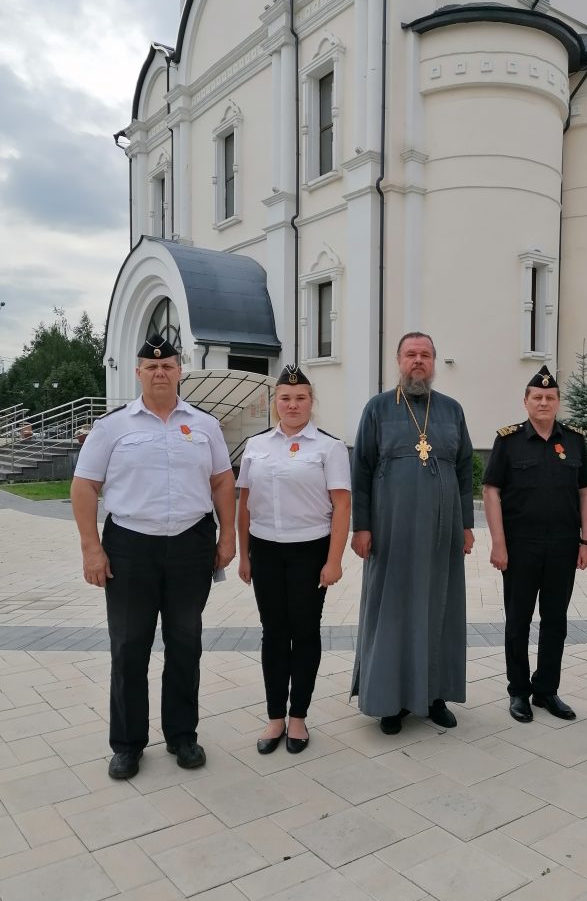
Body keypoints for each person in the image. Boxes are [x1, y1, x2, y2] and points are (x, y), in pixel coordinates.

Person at [71, 335, 236, 779]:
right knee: (128, 647)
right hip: (130, 546)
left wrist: (228, 537)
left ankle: (183, 736)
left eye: (167, 366)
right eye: (151, 366)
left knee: (186, 643)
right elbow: (84, 486)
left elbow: (223, 481)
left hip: (190, 544)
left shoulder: (205, 425)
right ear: (139, 372)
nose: (160, 372)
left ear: (180, 371)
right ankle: (127, 744)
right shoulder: (112, 426)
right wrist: (92, 548)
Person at [350, 332, 474, 735]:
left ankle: (435, 696)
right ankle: (390, 702)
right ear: (398, 361)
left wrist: (467, 526)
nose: (417, 361)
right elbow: (362, 472)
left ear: (434, 362)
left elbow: (465, 470)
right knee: (393, 611)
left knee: (440, 607)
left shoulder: (451, 411)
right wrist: (362, 526)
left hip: (442, 534)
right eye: (410, 355)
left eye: (425, 355)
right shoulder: (378, 409)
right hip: (391, 532)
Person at [237, 365, 351, 755]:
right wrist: (244, 555)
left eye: (301, 397)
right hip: (265, 549)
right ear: (275, 403)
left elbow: (341, 506)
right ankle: (274, 717)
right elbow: (244, 505)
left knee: (304, 632)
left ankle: (298, 716)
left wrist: (333, 560)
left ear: (311, 402)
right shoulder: (256, 446)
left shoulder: (328, 447)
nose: (292, 404)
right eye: (285, 398)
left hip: (309, 550)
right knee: (273, 632)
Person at [483, 365, 587, 724]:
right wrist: (498, 544)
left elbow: (586, 492)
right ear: (526, 402)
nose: (544, 402)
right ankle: (518, 691)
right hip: (520, 546)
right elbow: (491, 491)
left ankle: (547, 689)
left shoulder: (574, 440)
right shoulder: (509, 440)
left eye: (550, 397)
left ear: (558, 402)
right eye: (537, 397)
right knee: (518, 620)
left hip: (563, 545)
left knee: (556, 621)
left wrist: (586, 541)